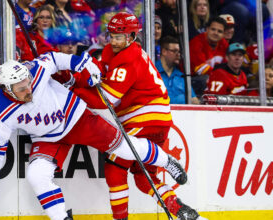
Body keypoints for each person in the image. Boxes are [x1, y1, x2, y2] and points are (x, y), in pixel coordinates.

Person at [0, 51, 187, 220]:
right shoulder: (2, 111)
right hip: (48, 138)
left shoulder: (34, 70)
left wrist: (86, 65)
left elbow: (55, 59)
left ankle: (167, 160)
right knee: (36, 175)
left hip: (76, 117)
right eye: (21, 89)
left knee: (125, 149)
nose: (29, 90)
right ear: (7, 90)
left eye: (28, 84)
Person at [70, 12, 204, 220]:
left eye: (119, 37)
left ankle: (121, 217)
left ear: (131, 37)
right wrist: (79, 77)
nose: (113, 41)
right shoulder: (116, 52)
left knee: (114, 167)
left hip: (143, 118)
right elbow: (99, 70)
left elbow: (105, 99)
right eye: (111, 35)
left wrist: (74, 90)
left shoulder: (128, 59)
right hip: (158, 120)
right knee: (144, 177)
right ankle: (180, 210)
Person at [189, 16, 229, 97]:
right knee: (206, 79)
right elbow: (200, 69)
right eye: (213, 29)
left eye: (219, 31)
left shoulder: (224, 44)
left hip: (214, 77)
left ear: (224, 34)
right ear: (207, 29)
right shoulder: (196, 42)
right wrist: (221, 76)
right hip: (193, 80)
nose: (216, 33)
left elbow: (227, 66)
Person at [156, 36, 199, 104]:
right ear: (164, 51)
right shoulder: (151, 71)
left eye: (179, 52)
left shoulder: (181, 76)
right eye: (175, 51)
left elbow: (195, 101)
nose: (178, 54)